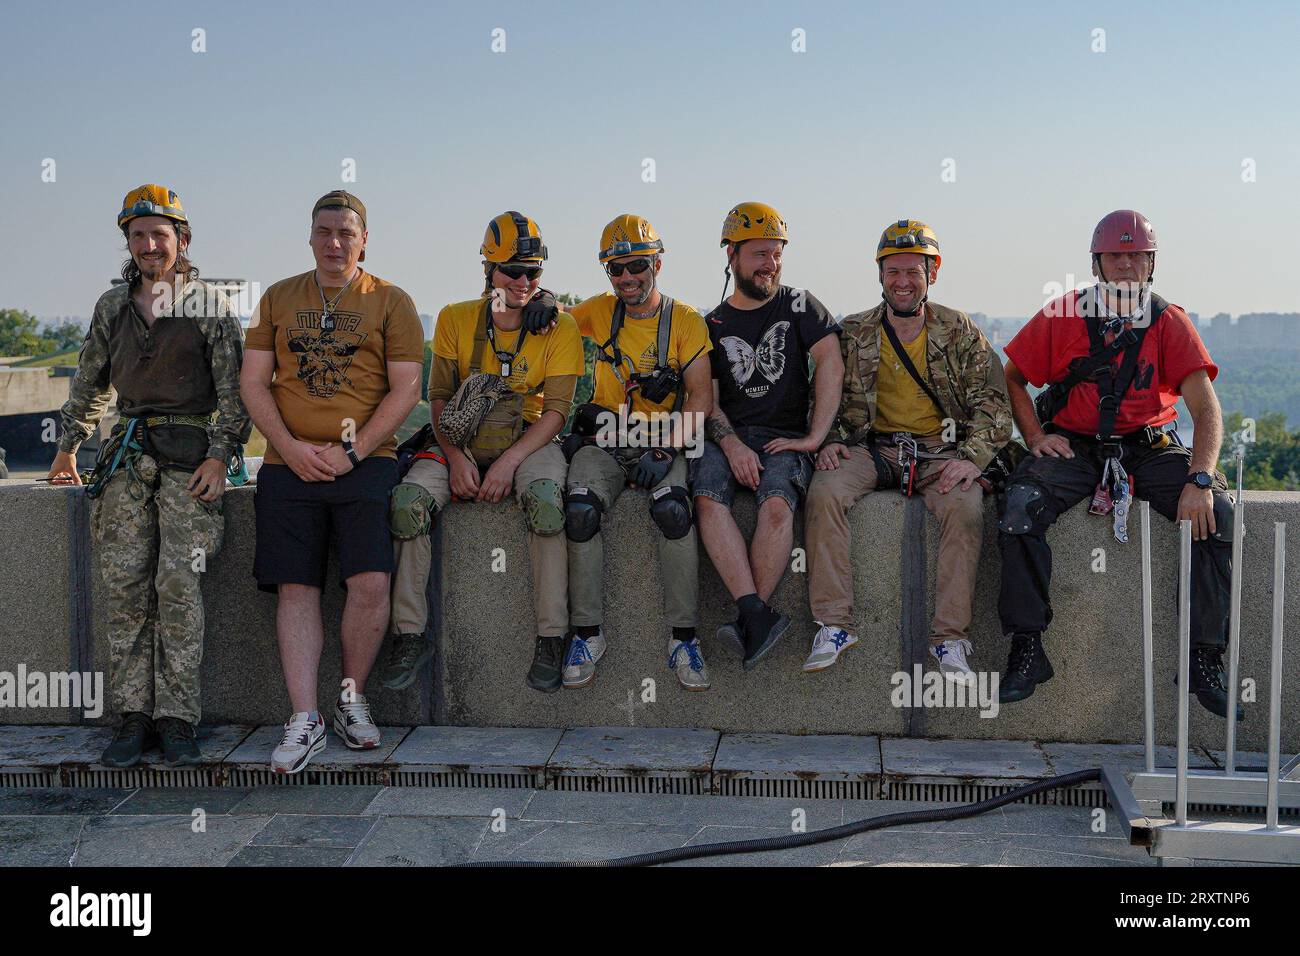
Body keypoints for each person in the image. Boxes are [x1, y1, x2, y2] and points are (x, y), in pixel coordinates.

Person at [996, 210, 1238, 717]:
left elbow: (1206, 408)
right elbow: (1013, 377)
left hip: (1148, 446)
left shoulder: (1169, 322)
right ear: (1097, 262)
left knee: (1217, 514)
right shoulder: (1064, 314)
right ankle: (1026, 647)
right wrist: (1036, 436)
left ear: (1151, 263)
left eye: (1136, 255)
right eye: (1115, 255)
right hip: (1076, 446)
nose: (1126, 264)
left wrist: (1198, 478)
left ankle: (1204, 657)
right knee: (1019, 507)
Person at [48, 184, 249, 767]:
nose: (148, 245)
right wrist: (67, 449)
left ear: (181, 240)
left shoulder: (208, 307)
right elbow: (90, 382)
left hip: (191, 461)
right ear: (128, 243)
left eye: (159, 234)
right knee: (126, 589)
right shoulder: (114, 307)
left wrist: (219, 456)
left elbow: (236, 397)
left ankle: (178, 717)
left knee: (178, 588)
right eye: (137, 236)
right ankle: (134, 716)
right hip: (128, 459)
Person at [240, 190, 424, 773]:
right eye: (324, 231)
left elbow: (406, 388)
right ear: (310, 236)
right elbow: (253, 383)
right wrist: (290, 448)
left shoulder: (391, 300)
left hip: (364, 462)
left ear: (364, 239)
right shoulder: (277, 297)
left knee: (370, 582)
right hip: (285, 465)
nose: (335, 242)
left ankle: (350, 699)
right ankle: (304, 719)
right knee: (297, 588)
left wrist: (355, 450)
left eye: (346, 232)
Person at [385, 212, 582, 693]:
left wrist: (511, 463)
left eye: (533, 271)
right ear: (488, 270)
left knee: (545, 501)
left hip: (531, 438)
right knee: (408, 506)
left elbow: (557, 411)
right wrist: (454, 458)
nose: (522, 281)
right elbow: (437, 400)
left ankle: (552, 635)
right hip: (460, 439)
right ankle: (410, 635)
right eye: (511, 270)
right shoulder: (456, 318)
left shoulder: (561, 328)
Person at [806, 220, 1011, 679]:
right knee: (823, 494)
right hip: (872, 447)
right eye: (893, 272)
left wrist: (971, 460)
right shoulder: (854, 332)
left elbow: (994, 405)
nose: (902, 282)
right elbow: (821, 392)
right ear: (879, 275)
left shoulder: (959, 331)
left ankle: (950, 640)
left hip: (941, 452)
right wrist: (829, 441)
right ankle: (834, 624)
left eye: (913, 273)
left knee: (967, 509)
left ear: (932, 274)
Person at [564, 214, 714, 690]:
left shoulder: (686, 321)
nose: (627, 277)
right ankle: (587, 634)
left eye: (636, 265)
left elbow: (701, 398)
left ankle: (683, 638)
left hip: (663, 439)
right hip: (607, 436)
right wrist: (539, 303)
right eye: (616, 269)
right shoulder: (598, 311)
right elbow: (552, 326)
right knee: (581, 510)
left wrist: (667, 450)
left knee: (672, 510)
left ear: (657, 263)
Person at [693, 202, 843, 669]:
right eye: (759, 254)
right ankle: (756, 613)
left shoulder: (800, 304)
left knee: (777, 505)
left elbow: (831, 364)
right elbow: (707, 397)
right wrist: (733, 444)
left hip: (786, 436)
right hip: (729, 435)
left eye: (776, 254)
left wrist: (815, 436)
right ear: (732, 256)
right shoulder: (714, 322)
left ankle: (749, 617)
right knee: (707, 498)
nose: (770, 264)